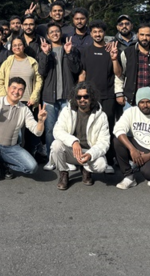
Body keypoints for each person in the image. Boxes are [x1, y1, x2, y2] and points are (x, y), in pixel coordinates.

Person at [0, 78, 47, 190]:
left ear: (23, 92)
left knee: (32, 167)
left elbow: (37, 131)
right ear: (8, 88)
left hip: (10, 148)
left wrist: (40, 121)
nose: (16, 92)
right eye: (14, 88)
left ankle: (3, 162)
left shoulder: (24, 110)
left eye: (20, 90)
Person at [51, 82, 110, 190]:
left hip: (88, 151)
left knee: (101, 165)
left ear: (91, 97)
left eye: (86, 96)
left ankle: (86, 170)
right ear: (75, 98)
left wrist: (90, 154)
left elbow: (104, 142)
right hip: (72, 150)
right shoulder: (67, 111)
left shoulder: (101, 116)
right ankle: (63, 173)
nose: (82, 99)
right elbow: (57, 130)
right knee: (56, 145)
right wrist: (73, 141)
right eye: (79, 97)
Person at [38, 23, 82, 169]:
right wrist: (45, 54)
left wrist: (69, 53)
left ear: (61, 33)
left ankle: (67, 158)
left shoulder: (70, 48)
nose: (55, 33)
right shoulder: (44, 50)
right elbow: (42, 72)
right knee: (50, 129)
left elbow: (76, 69)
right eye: (52, 32)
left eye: (57, 31)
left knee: (67, 128)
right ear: (47, 35)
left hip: (67, 95)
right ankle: (52, 158)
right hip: (49, 96)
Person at [79, 20, 119, 173]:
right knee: (88, 128)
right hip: (90, 97)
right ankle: (86, 158)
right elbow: (83, 73)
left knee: (107, 128)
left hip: (108, 95)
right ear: (91, 34)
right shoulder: (86, 51)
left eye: (100, 32)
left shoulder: (112, 49)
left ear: (104, 33)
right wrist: (79, 93)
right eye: (94, 32)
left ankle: (107, 160)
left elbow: (118, 73)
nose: (97, 34)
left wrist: (114, 58)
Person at [0, 35, 44, 155]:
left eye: (20, 45)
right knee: (14, 132)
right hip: (11, 102)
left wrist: (34, 97)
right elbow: (0, 81)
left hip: (28, 101)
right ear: (12, 48)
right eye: (15, 45)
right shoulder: (7, 62)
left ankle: (29, 155)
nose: (17, 47)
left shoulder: (32, 62)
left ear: (24, 46)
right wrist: (4, 97)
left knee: (29, 132)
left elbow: (39, 80)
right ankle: (11, 156)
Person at [115, 24, 150, 106]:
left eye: (147, 35)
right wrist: (119, 93)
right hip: (131, 101)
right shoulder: (127, 52)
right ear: (137, 35)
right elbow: (120, 74)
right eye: (142, 35)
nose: (144, 38)